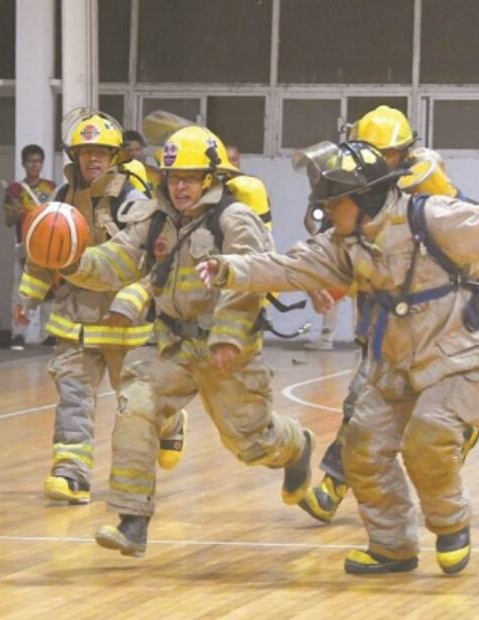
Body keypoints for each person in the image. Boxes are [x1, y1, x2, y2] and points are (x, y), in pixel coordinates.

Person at [197, 140, 479, 575]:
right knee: (361, 450)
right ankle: (392, 546)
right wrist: (231, 269)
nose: (324, 213)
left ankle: (450, 522)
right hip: (394, 362)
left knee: (428, 438)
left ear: (362, 199)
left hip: (460, 356)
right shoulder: (344, 242)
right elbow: (288, 268)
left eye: (332, 203)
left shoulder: (432, 217)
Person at [45, 125, 312, 557]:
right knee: (135, 406)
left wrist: (228, 337)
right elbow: (117, 260)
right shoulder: (152, 218)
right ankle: (132, 521)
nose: (180, 186)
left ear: (211, 179)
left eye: (189, 177)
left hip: (229, 352)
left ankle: (298, 445)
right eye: (173, 177)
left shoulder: (235, 220)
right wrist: (72, 260)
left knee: (250, 442)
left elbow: (247, 283)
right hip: (171, 345)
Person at [297, 105, 479, 524]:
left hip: (440, 322)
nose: (373, 160)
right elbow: (338, 250)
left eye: (384, 153)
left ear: (404, 153)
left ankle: (451, 442)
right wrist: (327, 285)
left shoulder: (430, 187)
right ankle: (334, 488)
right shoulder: (349, 183)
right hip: (384, 317)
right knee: (362, 404)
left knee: (409, 409)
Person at [15, 110, 186, 504]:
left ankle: (172, 420)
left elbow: (147, 258)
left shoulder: (135, 202)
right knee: (73, 396)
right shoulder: (59, 200)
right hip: (74, 320)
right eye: (86, 151)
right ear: (74, 154)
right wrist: (27, 300)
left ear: (115, 158)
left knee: (136, 404)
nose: (93, 159)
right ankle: (71, 473)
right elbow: (40, 257)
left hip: (126, 324)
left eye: (102, 153)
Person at [3, 144, 56, 350]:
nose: (35, 165)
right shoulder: (14, 190)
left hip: (47, 244)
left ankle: (49, 333)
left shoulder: (51, 187)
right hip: (25, 244)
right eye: (31, 161)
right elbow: (7, 220)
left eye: (38, 161)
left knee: (50, 290)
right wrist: (16, 212)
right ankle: (18, 334)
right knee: (21, 291)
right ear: (24, 164)